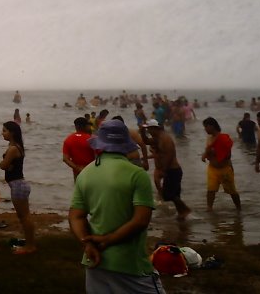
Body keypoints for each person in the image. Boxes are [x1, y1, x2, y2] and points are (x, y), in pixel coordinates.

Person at [69, 119, 166, 293]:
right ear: (127, 145)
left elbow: (76, 216)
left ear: (99, 144)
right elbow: (141, 220)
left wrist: (88, 244)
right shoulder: (137, 175)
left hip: (94, 262)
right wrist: (108, 240)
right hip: (130, 265)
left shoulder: (85, 174)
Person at [141, 119, 191, 220]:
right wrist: (142, 132)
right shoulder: (158, 138)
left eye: (149, 129)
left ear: (154, 128)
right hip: (170, 170)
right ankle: (182, 213)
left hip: (173, 170)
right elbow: (146, 141)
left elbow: (170, 155)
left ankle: (185, 210)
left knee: (168, 194)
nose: (148, 132)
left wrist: (164, 170)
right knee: (173, 194)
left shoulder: (165, 138)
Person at [0, 121, 36, 254]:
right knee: (23, 216)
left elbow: (3, 165)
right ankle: (29, 242)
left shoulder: (13, 148)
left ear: (12, 132)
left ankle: (30, 246)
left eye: (4, 131)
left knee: (25, 216)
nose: (2, 133)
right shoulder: (15, 146)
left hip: (18, 185)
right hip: (18, 184)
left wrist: (3, 163)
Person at [201, 117, 241, 211]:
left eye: (206, 127)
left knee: (232, 192)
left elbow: (228, 156)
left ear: (212, 126)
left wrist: (216, 152)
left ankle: (239, 209)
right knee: (210, 190)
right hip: (212, 168)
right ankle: (209, 209)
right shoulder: (209, 139)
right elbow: (207, 152)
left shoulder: (223, 138)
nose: (205, 129)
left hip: (225, 169)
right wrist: (206, 154)